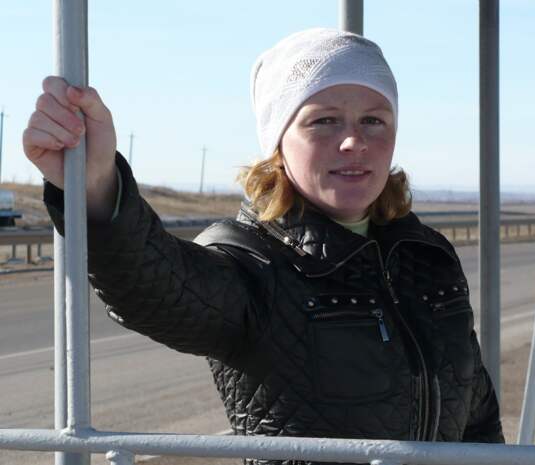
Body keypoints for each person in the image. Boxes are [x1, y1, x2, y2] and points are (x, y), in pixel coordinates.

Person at [23, 27, 503, 461]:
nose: (353, 141)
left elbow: (476, 415)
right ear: (278, 142)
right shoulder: (251, 258)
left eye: (373, 120)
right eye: (324, 121)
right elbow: (156, 285)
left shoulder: (427, 256)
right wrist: (97, 185)